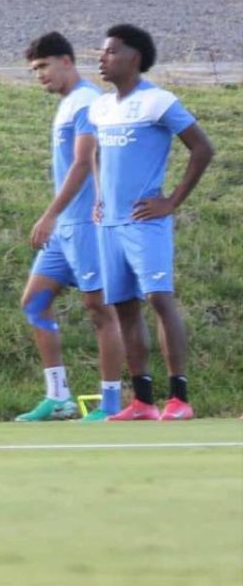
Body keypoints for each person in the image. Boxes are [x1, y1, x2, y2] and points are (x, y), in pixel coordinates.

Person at [91, 24, 214, 421]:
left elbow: (202, 148)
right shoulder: (101, 107)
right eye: (102, 52)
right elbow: (96, 155)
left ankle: (179, 397)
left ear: (134, 58)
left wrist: (171, 202)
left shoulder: (158, 101)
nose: (101, 58)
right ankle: (143, 401)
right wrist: (99, 196)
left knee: (159, 299)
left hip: (146, 222)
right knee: (124, 308)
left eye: (110, 51)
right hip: (110, 224)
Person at [15, 32, 126, 422]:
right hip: (65, 229)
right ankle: (58, 397)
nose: (40, 75)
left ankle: (111, 404)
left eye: (43, 67)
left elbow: (83, 163)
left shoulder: (88, 102)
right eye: (34, 70)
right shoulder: (66, 105)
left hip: (87, 225)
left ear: (66, 61)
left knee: (99, 308)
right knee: (34, 303)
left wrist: (48, 214)